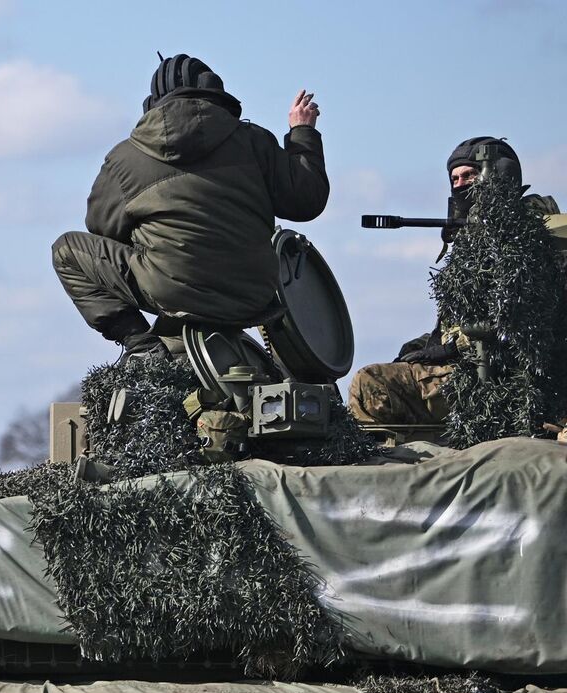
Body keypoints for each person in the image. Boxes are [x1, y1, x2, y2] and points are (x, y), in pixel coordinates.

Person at [52, 54, 330, 364]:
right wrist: (301, 133)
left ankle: (141, 346)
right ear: (216, 93)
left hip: (171, 292)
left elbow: (100, 227)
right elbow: (307, 201)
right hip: (253, 295)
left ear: (153, 102)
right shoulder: (255, 142)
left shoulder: (125, 159)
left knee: (66, 251)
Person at [347, 137, 563, 426]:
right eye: (454, 178)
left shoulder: (526, 241)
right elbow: (457, 323)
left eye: (469, 175)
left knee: (368, 383)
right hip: (470, 366)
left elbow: (516, 321)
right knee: (394, 364)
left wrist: (448, 349)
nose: (460, 185)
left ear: (498, 176)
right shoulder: (476, 244)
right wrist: (425, 345)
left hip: (499, 378)